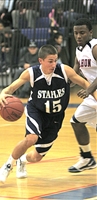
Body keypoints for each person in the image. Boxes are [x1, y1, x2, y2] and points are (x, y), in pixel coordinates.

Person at [0, 44, 97, 183]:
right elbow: (11, 88)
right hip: (36, 111)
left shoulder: (64, 70)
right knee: (31, 138)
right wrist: (2, 93)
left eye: (55, 60)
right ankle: (7, 165)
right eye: (50, 61)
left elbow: (86, 84)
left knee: (36, 157)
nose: (54, 64)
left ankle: (21, 161)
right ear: (40, 60)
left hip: (55, 117)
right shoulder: (31, 73)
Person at [68, 18, 97, 173]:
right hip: (93, 94)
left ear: (90, 33)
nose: (78, 36)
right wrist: (64, 83)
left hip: (92, 91)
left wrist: (88, 90)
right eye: (76, 33)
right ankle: (87, 158)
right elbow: (75, 73)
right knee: (76, 122)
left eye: (82, 32)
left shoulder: (95, 47)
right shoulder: (78, 51)